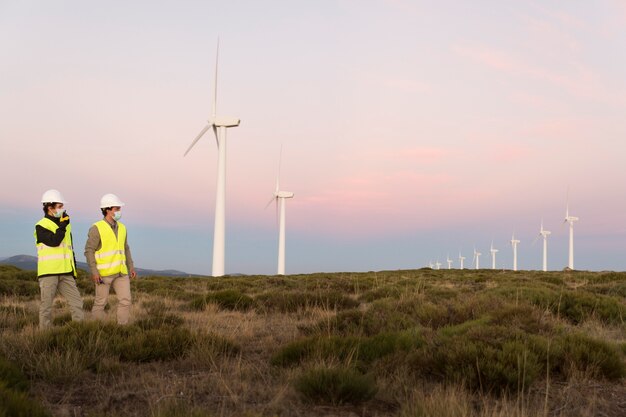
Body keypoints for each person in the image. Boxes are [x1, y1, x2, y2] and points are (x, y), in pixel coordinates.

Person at [34, 189, 84, 329]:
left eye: (62, 206)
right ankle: (45, 336)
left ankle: (80, 331)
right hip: (49, 273)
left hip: (66, 272)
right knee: (46, 307)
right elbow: (54, 241)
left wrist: (73, 271)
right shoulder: (41, 225)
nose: (62, 209)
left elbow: (69, 249)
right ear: (50, 208)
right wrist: (62, 227)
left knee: (77, 303)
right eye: (59, 206)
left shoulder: (66, 226)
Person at [84, 193, 137, 325]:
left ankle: (122, 330)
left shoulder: (123, 228)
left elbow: (126, 248)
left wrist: (130, 266)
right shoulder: (97, 228)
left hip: (121, 272)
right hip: (103, 274)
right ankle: (99, 329)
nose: (119, 211)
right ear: (107, 209)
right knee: (100, 303)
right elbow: (89, 250)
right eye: (116, 209)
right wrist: (94, 272)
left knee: (126, 301)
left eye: (119, 209)